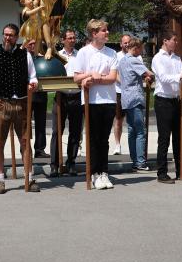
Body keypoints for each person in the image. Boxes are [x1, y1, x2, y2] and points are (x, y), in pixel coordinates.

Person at [0, 24, 40, 194]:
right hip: (1, 103)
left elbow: (33, 76)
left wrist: (33, 84)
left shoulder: (25, 55)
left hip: (22, 103)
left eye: (11, 35)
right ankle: (0, 179)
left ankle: (29, 178)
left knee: (25, 141)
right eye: (6, 35)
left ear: (16, 37)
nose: (8, 38)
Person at [73, 19, 119, 190]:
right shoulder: (84, 53)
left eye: (107, 30)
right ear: (94, 34)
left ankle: (104, 172)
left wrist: (97, 78)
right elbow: (77, 77)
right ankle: (94, 173)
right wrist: (89, 75)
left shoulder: (112, 53)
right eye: (104, 30)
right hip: (92, 101)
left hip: (108, 99)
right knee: (93, 138)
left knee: (104, 139)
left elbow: (112, 77)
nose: (107, 33)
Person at [151, 30, 182, 184]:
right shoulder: (158, 58)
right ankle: (161, 173)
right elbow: (163, 77)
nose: (176, 43)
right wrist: (181, 77)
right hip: (163, 101)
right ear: (165, 41)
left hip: (177, 100)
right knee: (164, 138)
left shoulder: (177, 58)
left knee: (180, 137)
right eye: (174, 40)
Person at [117, 38, 153, 172]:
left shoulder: (122, 61)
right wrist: (151, 77)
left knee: (132, 130)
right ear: (136, 48)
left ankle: (134, 159)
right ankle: (140, 161)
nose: (142, 51)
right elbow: (148, 73)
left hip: (126, 98)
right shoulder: (134, 60)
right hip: (135, 98)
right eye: (141, 48)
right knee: (140, 131)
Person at [51, 29, 82, 177]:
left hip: (76, 96)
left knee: (75, 132)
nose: (72, 40)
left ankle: (71, 163)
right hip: (60, 96)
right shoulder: (57, 56)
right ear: (63, 40)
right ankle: (54, 165)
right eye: (69, 38)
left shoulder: (80, 55)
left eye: (73, 37)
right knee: (57, 131)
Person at [23, 39, 49, 158]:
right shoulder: (22, 57)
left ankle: (39, 149)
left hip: (40, 94)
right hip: (26, 95)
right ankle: (25, 147)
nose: (33, 45)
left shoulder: (43, 58)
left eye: (35, 43)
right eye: (30, 43)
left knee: (41, 123)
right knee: (25, 123)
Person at [113, 33, 132, 155]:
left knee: (132, 120)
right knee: (119, 119)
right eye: (125, 42)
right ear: (121, 44)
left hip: (132, 93)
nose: (127, 44)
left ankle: (133, 147)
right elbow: (115, 73)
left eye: (128, 42)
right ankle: (117, 144)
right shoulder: (117, 56)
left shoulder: (136, 56)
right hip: (119, 91)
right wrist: (124, 83)